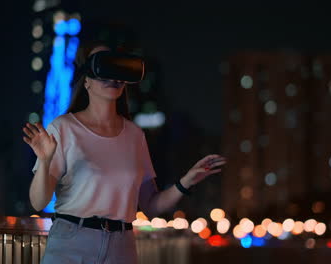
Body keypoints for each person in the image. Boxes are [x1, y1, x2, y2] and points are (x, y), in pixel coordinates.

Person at [22, 40, 227, 263]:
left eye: (117, 67)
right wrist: (44, 161)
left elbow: (151, 205)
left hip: (122, 246)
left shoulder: (134, 136)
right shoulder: (64, 128)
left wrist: (186, 181)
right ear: (87, 81)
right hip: (73, 242)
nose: (112, 75)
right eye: (103, 67)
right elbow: (38, 202)